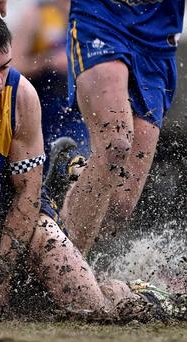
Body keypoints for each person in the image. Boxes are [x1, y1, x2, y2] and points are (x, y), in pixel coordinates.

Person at [0, 8, 186, 319]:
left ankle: (126, 291)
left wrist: (1, 271)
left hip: (16, 221)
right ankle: (59, 178)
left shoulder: (20, 95)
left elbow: (28, 195)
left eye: (4, 68)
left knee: (90, 307)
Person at [59, 1, 186, 253]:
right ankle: (62, 270)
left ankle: (62, 205)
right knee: (115, 144)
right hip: (101, 17)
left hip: (157, 38)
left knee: (119, 205)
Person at [11, 0, 90, 173]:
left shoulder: (91, 14)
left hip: (79, 111)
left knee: (78, 168)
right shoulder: (36, 14)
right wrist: (48, 62)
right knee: (42, 169)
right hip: (43, 108)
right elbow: (14, 67)